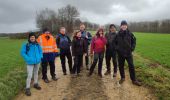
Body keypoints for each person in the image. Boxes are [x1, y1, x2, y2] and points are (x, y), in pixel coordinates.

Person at [115, 20, 141, 86]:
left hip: (128, 53)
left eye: (125, 25)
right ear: (121, 26)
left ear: (127, 26)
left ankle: (134, 80)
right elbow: (114, 43)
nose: (124, 26)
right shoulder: (118, 34)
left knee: (131, 66)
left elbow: (134, 41)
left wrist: (132, 48)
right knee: (121, 66)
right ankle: (122, 78)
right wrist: (117, 49)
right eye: (122, 25)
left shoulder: (130, 33)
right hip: (120, 54)